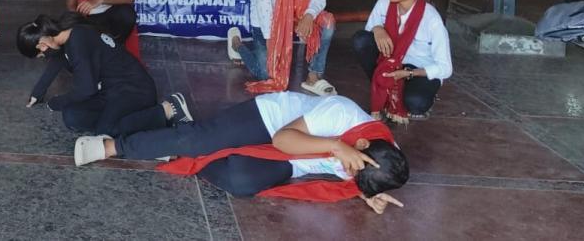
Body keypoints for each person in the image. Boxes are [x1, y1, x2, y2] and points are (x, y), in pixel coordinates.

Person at [74, 91, 408, 213]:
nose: (347, 174)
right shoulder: (343, 114)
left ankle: (180, 141)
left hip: (296, 161)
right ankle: (113, 145)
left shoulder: (382, 157)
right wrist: (335, 145)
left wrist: (367, 191)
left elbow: (367, 175)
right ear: (360, 145)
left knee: (242, 182)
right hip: (272, 122)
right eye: (352, 169)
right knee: (197, 141)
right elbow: (283, 139)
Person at [17, 13, 190, 136]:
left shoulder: (77, 41)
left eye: (41, 55)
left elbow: (85, 90)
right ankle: (127, 119)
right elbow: (57, 60)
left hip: (134, 89)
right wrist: (38, 93)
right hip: (110, 90)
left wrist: (55, 102)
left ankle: (166, 110)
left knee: (106, 130)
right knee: (72, 116)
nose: (45, 57)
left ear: (42, 45)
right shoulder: (67, 32)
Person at [351, 0, 452, 123]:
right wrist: (378, 29)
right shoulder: (383, 3)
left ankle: (401, 92)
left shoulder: (432, 19)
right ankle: (383, 86)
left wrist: (409, 73)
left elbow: (445, 68)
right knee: (361, 40)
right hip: (390, 62)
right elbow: (369, 31)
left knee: (416, 103)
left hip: (417, 71)